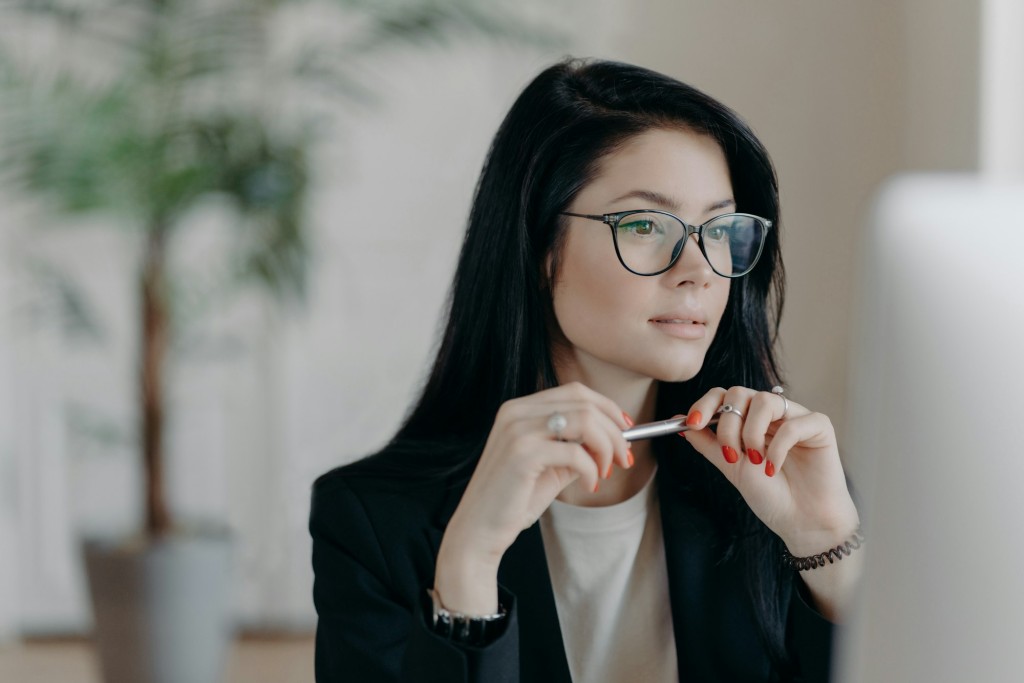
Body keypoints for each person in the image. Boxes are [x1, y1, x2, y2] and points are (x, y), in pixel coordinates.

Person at [309, 58, 862, 683]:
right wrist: (468, 566)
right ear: (541, 248)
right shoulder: (373, 520)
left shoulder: (779, 485)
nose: (701, 270)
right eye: (647, 224)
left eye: (720, 227)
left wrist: (827, 547)